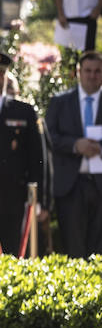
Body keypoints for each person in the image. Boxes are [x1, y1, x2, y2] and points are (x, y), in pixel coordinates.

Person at [0, 50, 45, 253]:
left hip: (13, 196)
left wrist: (38, 199)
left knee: (12, 249)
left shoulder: (23, 111)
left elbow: (36, 159)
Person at [45, 50, 102, 257]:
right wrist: (75, 145)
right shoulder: (61, 102)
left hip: (99, 184)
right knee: (74, 248)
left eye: (97, 71)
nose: (92, 75)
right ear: (78, 72)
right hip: (71, 185)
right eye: (87, 70)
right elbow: (49, 136)